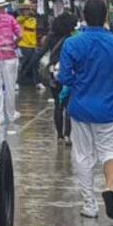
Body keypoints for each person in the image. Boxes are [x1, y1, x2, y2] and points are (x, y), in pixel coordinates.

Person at [58, 0, 113, 220]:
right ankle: (109, 187)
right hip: (109, 109)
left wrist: (79, 82)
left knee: (83, 156)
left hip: (80, 107)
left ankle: (89, 205)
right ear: (106, 16)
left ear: (84, 16)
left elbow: (64, 77)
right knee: (112, 152)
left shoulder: (72, 43)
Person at [42, 12, 79, 145]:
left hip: (54, 73)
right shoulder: (73, 38)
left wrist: (27, 68)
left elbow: (41, 52)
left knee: (58, 105)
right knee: (68, 104)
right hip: (69, 72)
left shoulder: (51, 37)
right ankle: (68, 135)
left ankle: (59, 136)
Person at [17, 3, 40, 87]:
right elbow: (19, 20)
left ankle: (37, 82)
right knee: (23, 63)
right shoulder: (20, 19)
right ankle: (17, 82)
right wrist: (27, 15)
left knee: (35, 64)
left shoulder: (33, 20)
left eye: (28, 9)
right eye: (26, 10)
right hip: (23, 45)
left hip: (33, 45)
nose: (27, 11)